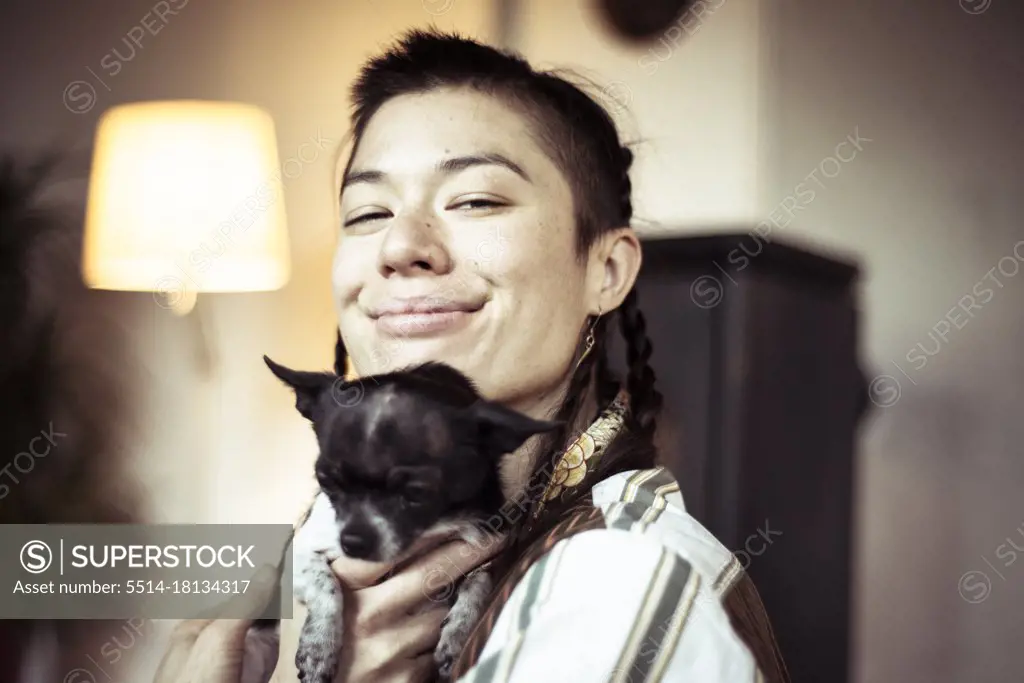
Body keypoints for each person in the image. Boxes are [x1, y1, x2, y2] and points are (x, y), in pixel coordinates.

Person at [154, 29, 789, 683]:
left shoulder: (615, 587)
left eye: (476, 200)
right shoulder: (298, 566)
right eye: (368, 212)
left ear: (606, 268)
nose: (402, 244)